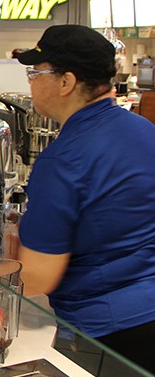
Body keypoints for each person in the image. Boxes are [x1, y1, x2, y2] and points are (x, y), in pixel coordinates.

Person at [16, 24, 155, 375]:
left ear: (66, 82)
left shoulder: (63, 159)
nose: (31, 81)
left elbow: (36, 278)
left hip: (109, 332)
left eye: (37, 72)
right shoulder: (145, 131)